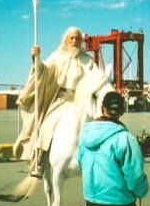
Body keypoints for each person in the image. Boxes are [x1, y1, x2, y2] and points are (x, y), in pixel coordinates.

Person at [76, 91, 149, 206]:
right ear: (121, 111)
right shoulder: (125, 139)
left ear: (102, 108)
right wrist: (141, 190)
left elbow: (80, 161)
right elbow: (136, 177)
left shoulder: (85, 135)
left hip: (94, 205)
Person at [13, 26, 99, 178]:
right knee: (47, 125)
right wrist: (36, 58)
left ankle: (102, 159)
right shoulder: (57, 56)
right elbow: (43, 71)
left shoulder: (88, 60)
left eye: (77, 38)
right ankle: (39, 160)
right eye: (71, 38)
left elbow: (98, 77)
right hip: (61, 100)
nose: (74, 41)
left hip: (83, 101)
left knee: (100, 124)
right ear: (66, 39)